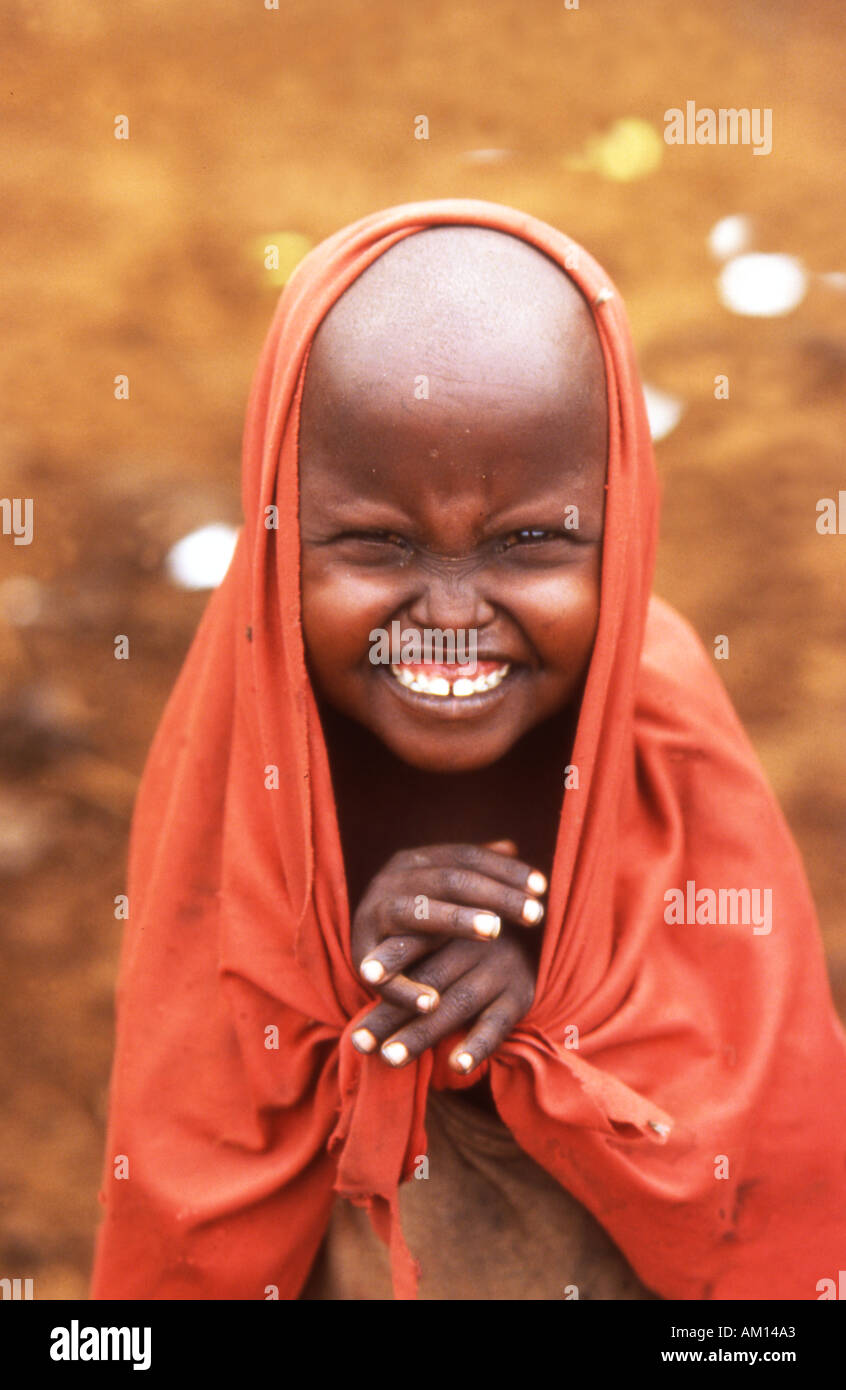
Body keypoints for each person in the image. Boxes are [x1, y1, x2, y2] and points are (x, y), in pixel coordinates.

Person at [90, 199, 846, 1302]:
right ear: (278, 530)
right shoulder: (240, 726)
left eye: (531, 541)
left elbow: (753, 1116)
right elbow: (202, 1094)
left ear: (622, 529)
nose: (450, 610)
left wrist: (544, 1003)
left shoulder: (667, 726)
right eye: (375, 542)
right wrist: (353, 979)